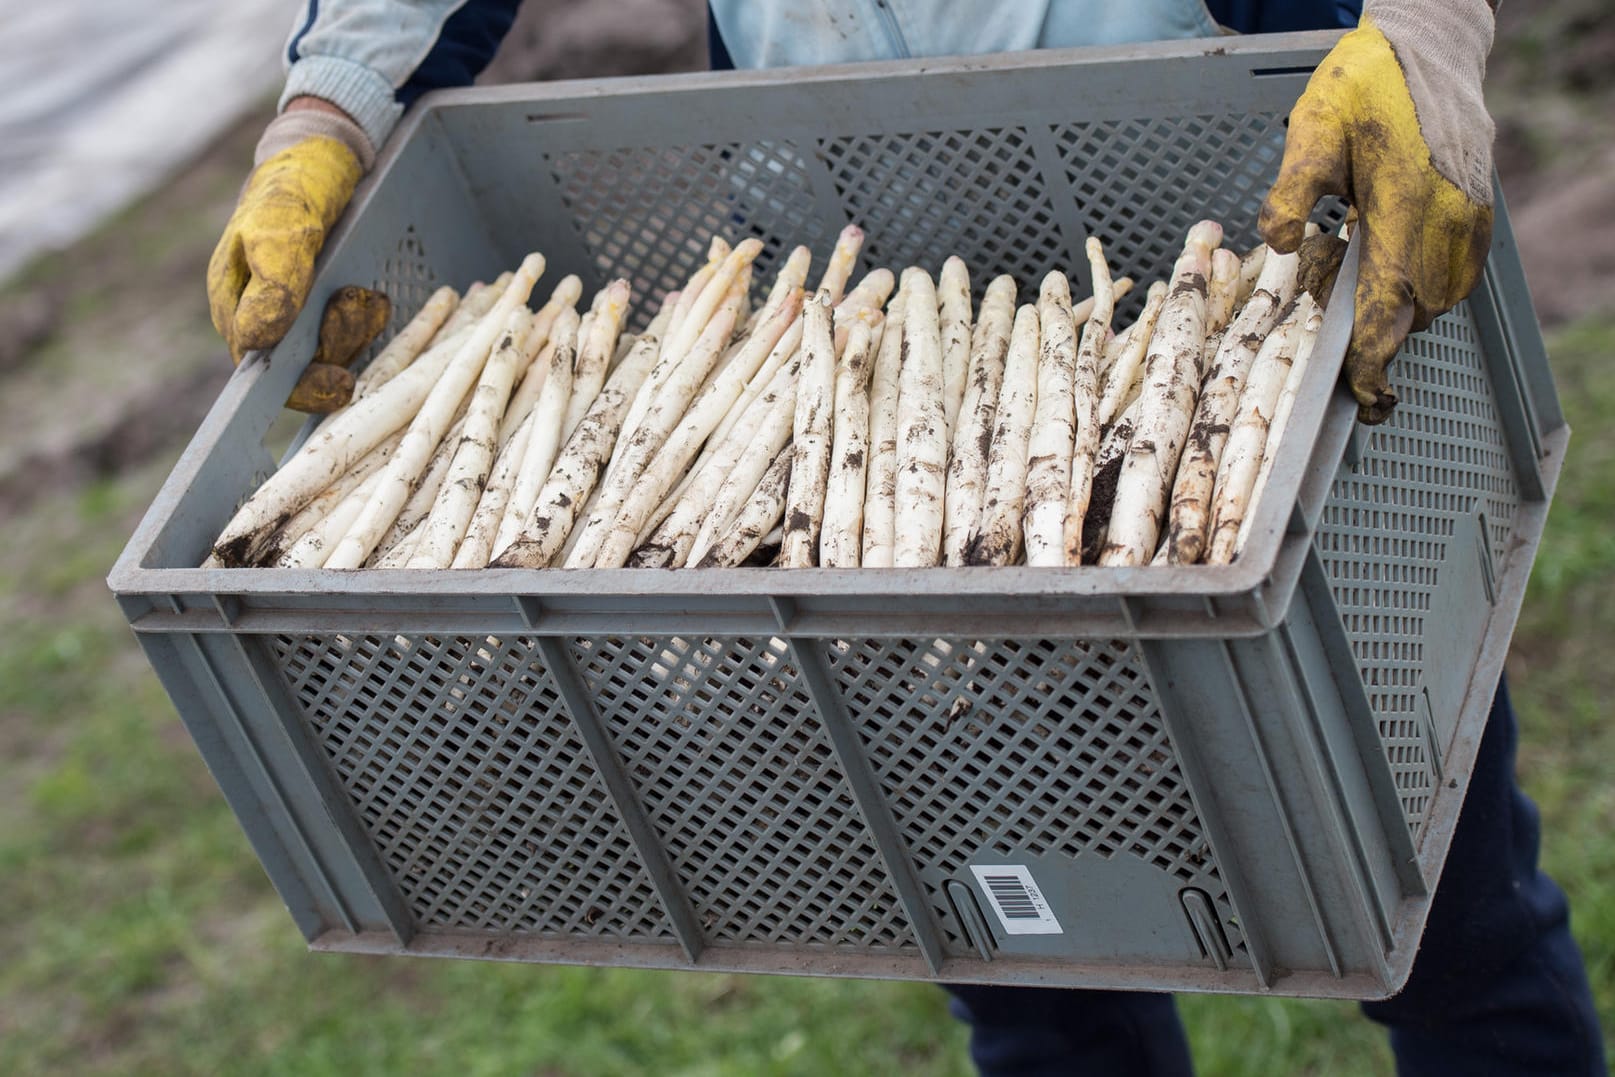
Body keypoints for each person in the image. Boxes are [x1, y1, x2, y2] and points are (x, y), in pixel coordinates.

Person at [205, 3, 1607, 1073]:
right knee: (1029, 953)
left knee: (1433, 905)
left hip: (1241, 275)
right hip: (849, 327)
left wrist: (1423, 31)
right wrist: (325, 113)